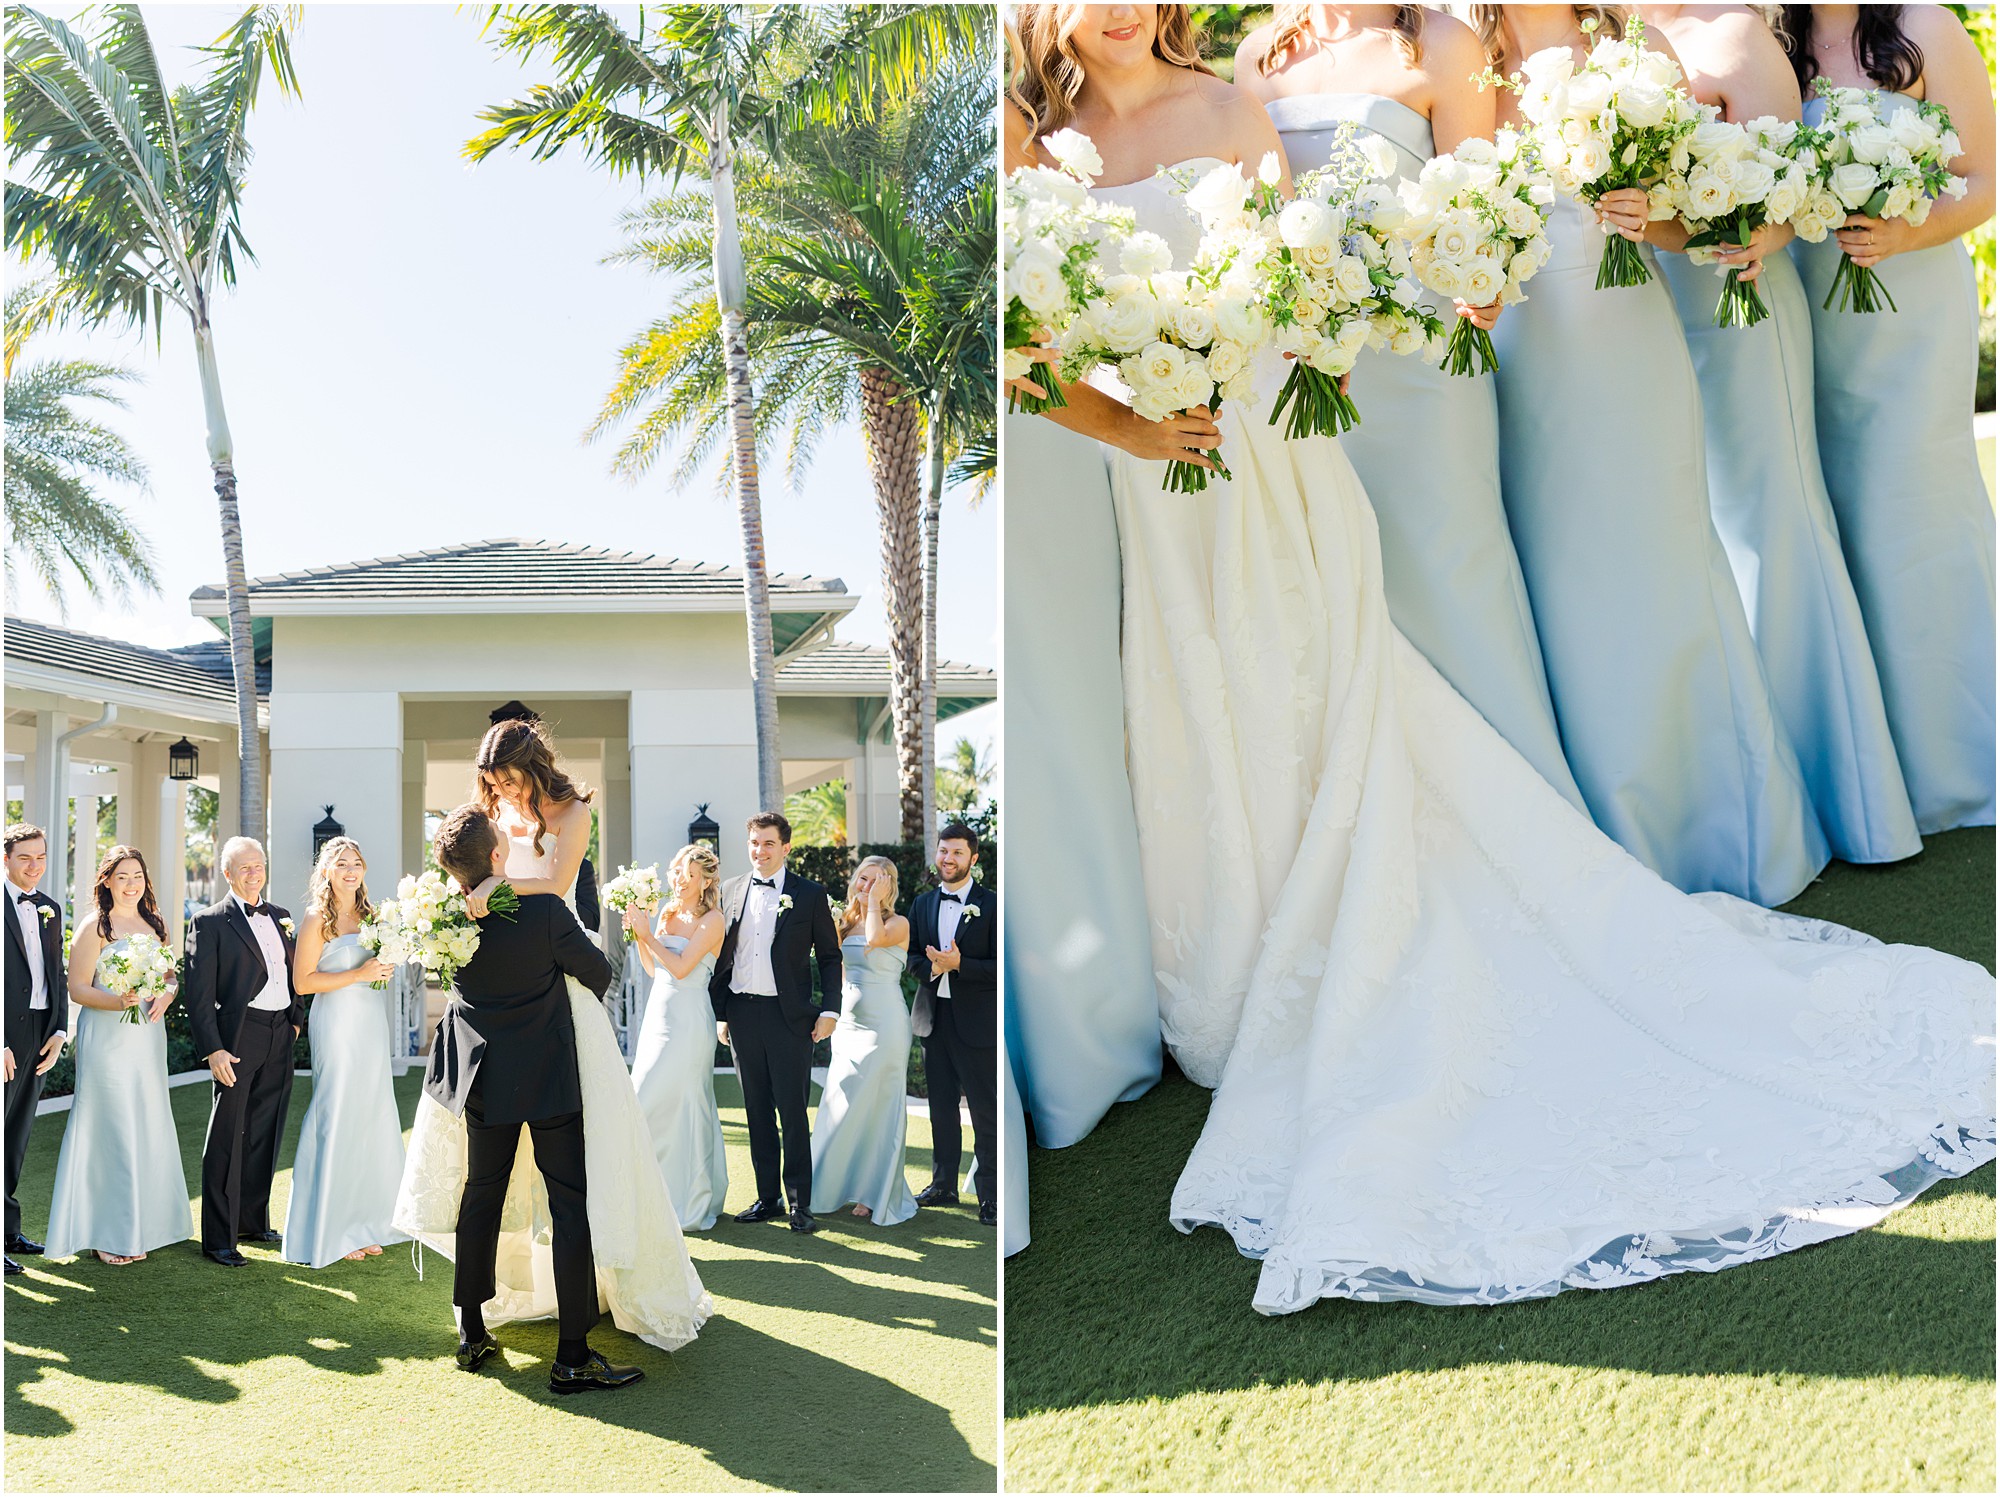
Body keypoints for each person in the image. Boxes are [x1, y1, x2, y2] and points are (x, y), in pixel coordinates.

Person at [1009, 1, 1993, 1316]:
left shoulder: (1280, 96)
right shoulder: (1077, 125)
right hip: (1150, 467)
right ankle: (1238, 949)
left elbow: (1344, 271)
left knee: (1347, 660)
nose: (1121, 10)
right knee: (1190, 697)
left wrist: (1312, 328)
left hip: (1318, 422)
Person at [1476, 2, 1830, 906]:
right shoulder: (1462, 49)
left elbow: (1690, 224)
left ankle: (1719, 824)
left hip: (1624, 331)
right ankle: (1600, 825)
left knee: (1660, 558)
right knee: (1557, 578)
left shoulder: (1632, 48)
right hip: (1509, 343)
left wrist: (1648, 216)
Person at [1235, 3, 1585, 812]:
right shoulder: (1259, 54)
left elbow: (1484, 206)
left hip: (1423, 365)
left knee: (1452, 567)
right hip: (1305, 369)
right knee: (1331, 589)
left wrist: (1487, 278)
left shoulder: (1442, 42)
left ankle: (1519, 808)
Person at [1646, 2, 1920, 867]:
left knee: (1777, 528)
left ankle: (1854, 795)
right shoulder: (1612, 43)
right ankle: (1769, 779)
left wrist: (1745, 231)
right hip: (1651, 319)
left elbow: (1783, 192)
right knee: (1715, 543)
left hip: (1742, 305)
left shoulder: (1737, 34)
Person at [393, 725, 713, 1368]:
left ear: (534, 766)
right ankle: (566, 1347)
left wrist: (487, 894)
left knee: (502, 1184)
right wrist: (476, 896)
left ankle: (486, 1325)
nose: (501, 791)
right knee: (544, 1189)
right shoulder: (484, 840)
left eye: (508, 779)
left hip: (547, 1012)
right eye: (492, 783)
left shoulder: (573, 813)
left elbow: (559, 879)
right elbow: (596, 966)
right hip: (534, 1018)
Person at [1776, 2, 1997, 834]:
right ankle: (1876, 761)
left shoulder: (1926, 26)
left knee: (1918, 509)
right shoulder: (1776, 43)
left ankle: (1961, 763)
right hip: (1812, 307)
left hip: (1908, 301)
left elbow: (1985, 178)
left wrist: (1908, 234)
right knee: (1843, 517)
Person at [417, 806, 642, 1392]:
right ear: (497, 857)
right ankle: (572, 1355)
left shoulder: (442, 920)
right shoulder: (543, 909)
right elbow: (599, 972)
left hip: (484, 1079)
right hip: (546, 1079)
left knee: (481, 1196)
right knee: (569, 1205)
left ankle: (471, 1332)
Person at [45, 847, 193, 1265]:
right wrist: (119, 1002)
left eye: (138, 876)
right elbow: (77, 988)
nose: (132, 884)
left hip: (147, 1038)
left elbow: (168, 975)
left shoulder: (155, 924)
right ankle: (107, 1231)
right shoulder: (96, 926)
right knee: (110, 1124)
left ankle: (145, 1223)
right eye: (123, 876)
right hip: (108, 1038)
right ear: (106, 880)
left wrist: (167, 993)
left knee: (145, 1120)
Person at [709, 812, 843, 1233]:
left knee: (792, 1110)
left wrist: (830, 1010)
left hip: (790, 1018)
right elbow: (721, 955)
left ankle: (801, 1204)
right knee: (756, 1110)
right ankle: (767, 1198)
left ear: (785, 847)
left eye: (768, 844)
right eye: (753, 843)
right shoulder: (730, 890)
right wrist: (722, 1013)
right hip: (743, 1014)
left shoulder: (810, 894)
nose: (759, 851)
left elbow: (830, 957)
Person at [282, 837, 407, 1268]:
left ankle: (368, 1221)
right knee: (336, 1111)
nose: (351, 870)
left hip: (370, 1022)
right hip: (336, 1024)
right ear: (326, 871)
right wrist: (360, 973)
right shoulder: (317, 919)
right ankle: (333, 1227)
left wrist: (384, 966)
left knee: (369, 1113)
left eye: (356, 862)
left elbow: (378, 968)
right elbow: (303, 983)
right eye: (341, 864)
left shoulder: (374, 915)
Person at [184, 836, 303, 1267]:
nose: (254, 873)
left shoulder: (283, 917)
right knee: (227, 1136)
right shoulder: (209, 922)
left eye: (259, 865)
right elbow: (198, 996)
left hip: (278, 1033)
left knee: (265, 1130)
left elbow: (294, 973)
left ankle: (253, 1221)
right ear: (227, 873)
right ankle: (218, 1238)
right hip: (238, 1037)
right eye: (244, 867)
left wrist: (294, 1021)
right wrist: (213, 1049)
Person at [627, 843, 730, 1232]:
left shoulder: (713, 920)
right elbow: (654, 970)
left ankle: (692, 1199)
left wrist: (646, 934)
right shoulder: (668, 912)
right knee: (646, 1097)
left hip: (689, 1019)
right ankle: (652, 1194)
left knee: (687, 1101)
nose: (679, 879)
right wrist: (641, 936)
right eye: (676, 871)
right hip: (659, 1015)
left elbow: (685, 968)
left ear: (704, 880)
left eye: (688, 874)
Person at [810, 856, 917, 1225]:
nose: (865, 885)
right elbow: (836, 971)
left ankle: (875, 1194)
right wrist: (833, 1015)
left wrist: (873, 903)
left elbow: (875, 939)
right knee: (841, 1103)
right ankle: (827, 1186)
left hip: (886, 1025)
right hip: (850, 1026)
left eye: (875, 881)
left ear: (889, 886)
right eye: (861, 878)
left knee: (879, 1107)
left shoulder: (897, 923)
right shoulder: (843, 924)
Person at [907, 826, 998, 1228]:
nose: (947, 859)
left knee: (984, 1111)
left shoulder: (992, 905)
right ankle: (942, 1184)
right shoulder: (924, 903)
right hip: (934, 1021)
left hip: (976, 1024)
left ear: (973, 858)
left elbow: (1001, 968)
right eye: (943, 851)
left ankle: (990, 1195)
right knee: (940, 1109)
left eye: (957, 853)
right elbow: (910, 958)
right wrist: (932, 967)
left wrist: (961, 966)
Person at [3, 823, 67, 1275]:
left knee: (16, 1138)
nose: (35, 866)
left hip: (40, 1034)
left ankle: (8, 1232)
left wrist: (60, 1031)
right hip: (5, 1038)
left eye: (41, 857)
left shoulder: (49, 908)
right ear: (6, 859)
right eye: (25, 858)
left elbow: (56, 974)